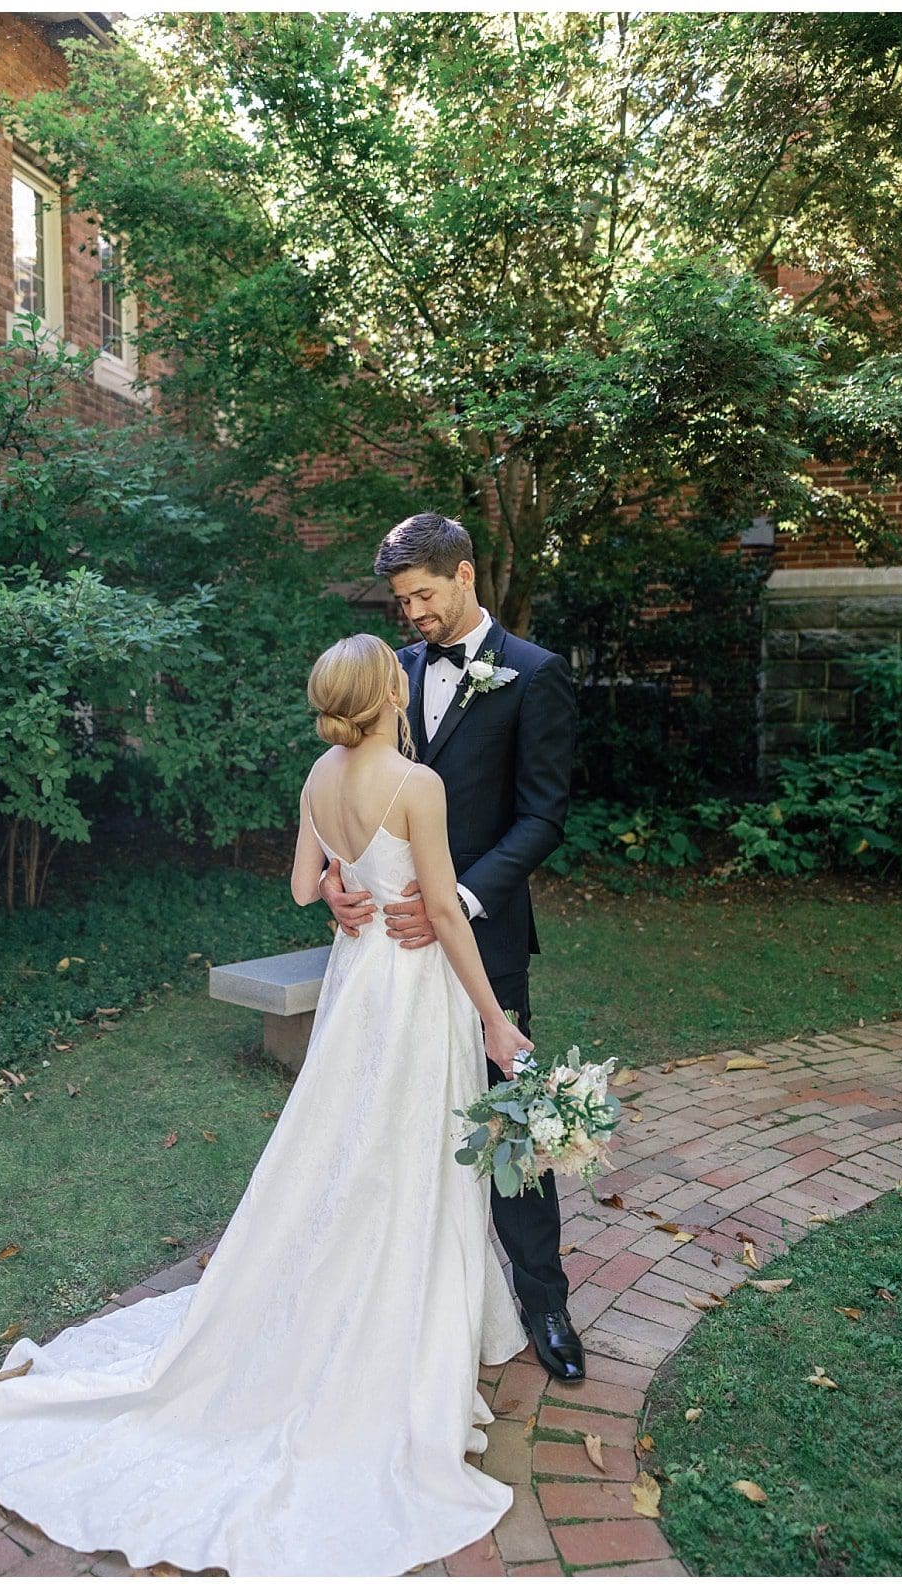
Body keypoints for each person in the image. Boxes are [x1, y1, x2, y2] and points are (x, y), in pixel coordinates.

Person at [0, 633, 534, 1576]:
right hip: (413, 994)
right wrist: (495, 1019)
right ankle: (390, 1330)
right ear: (389, 695)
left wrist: (339, 885)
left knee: (343, 1148)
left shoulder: (318, 775)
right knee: (404, 1150)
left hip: (354, 983)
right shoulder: (417, 786)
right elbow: (446, 913)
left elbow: (302, 887)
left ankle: (342, 1295)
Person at [324, 512, 583, 1381]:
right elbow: (347, 786)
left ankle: (545, 1302)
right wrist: (334, 873)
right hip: (388, 955)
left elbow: (543, 815)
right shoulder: (390, 673)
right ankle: (393, 1301)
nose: (413, 616)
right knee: (390, 1116)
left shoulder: (537, 676)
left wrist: (458, 903)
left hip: (484, 935)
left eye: (424, 596)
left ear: (466, 574)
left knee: (510, 1120)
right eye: (401, 602)